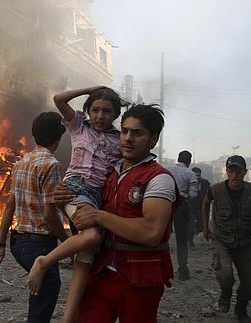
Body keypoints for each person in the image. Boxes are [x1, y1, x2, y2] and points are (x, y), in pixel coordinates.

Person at [54, 104, 178, 323]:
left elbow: (151, 231)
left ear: (153, 139)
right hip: (100, 274)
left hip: (139, 281)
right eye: (124, 131)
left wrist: (99, 216)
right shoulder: (109, 173)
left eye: (137, 133)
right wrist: (64, 194)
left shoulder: (159, 178)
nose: (128, 138)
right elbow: (86, 197)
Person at [26, 86, 126, 323]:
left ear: (115, 114)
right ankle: (45, 261)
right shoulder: (79, 125)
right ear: (88, 110)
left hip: (97, 197)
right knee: (91, 237)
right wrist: (93, 89)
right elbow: (58, 99)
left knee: (85, 256)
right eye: (95, 110)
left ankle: (68, 318)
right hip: (75, 187)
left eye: (107, 111)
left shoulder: (119, 139)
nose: (100, 115)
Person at [0, 111, 69, 323]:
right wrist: (68, 243)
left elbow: (9, 205)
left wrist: (0, 242)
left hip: (18, 244)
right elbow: (50, 214)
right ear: (58, 138)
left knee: (40, 292)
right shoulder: (51, 165)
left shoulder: (21, 162)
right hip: (39, 244)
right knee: (46, 295)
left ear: (34, 135)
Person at [202, 155, 251, 323]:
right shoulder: (215, 189)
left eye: (238, 171)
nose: (234, 175)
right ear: (227, 172)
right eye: (231, 171)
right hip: (221, 240)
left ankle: (241, 308)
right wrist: (205, 226)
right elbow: (205, 203)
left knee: (250, 280)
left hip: (244, 243)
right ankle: (225, 294)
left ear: (245, 172)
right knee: (225, 274)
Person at [166, 151, 198, 280]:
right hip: (181, 206)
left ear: (178, 158)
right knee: (181, 240)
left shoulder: (167, 170)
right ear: (189, 161)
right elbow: (193, 194)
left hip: (165, 204)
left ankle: (160, 268)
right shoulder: (190, 173)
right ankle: (182, 270)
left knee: (160, 236)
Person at [190, 167, 210, 238]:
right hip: (191, 206)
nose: (197, 178)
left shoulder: (205, 182)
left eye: (198, 176)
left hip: (201, 205)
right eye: (195, 176)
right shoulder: (188, 182)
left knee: (201, 221)